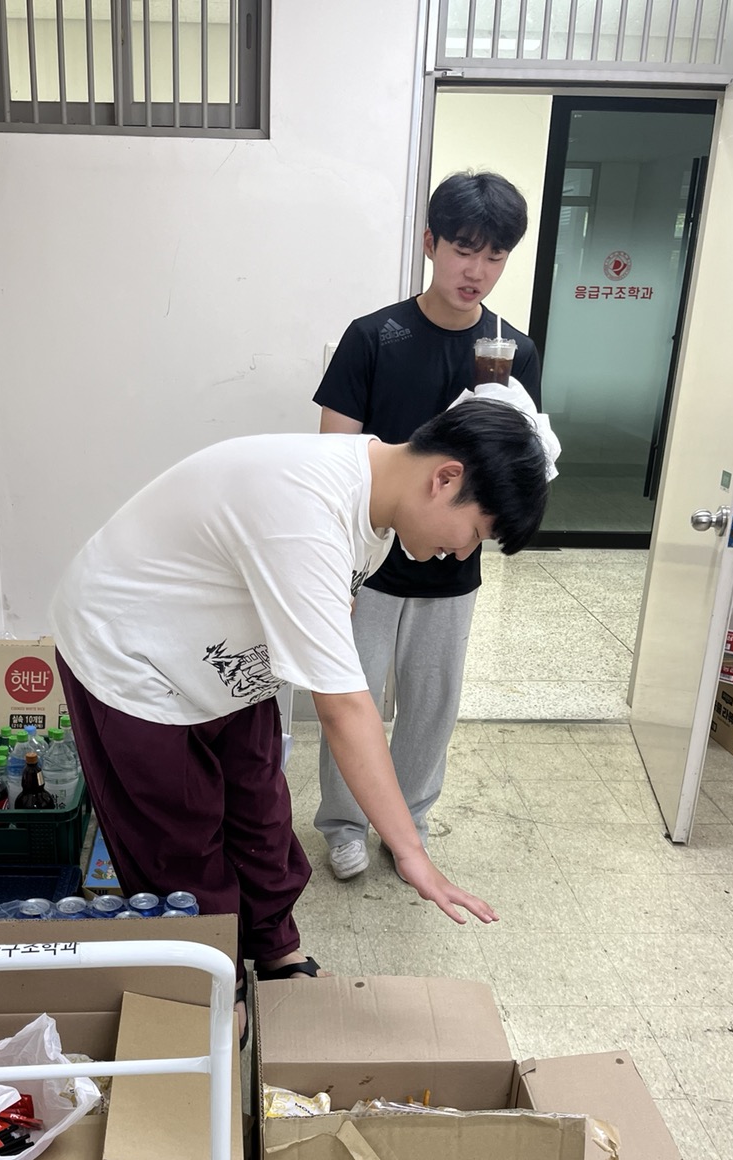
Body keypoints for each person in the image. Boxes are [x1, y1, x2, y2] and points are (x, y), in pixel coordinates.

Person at [51, 401, 550, 1043]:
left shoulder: (376, 500)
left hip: (222, 654)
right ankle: (213, 978)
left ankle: (275, 951)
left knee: (259, 807)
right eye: (476, 532)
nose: (463, 554)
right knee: (178, 834)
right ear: (446, 478)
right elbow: (345, 710)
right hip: (131, 652)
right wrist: (411, 853)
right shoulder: (307, 513)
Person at [314, 170, 543, 881]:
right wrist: (335, 569)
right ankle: (345, 822)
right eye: (464, 250)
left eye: (496, 256)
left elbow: (521, 460)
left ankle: (409, 819)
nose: (477, 271)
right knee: (351, 693)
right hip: (370, 562)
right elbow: (334, 457)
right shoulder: (374, 336)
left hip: (454, 564)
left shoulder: (513, 350)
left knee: (433, 702)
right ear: (429, 243)